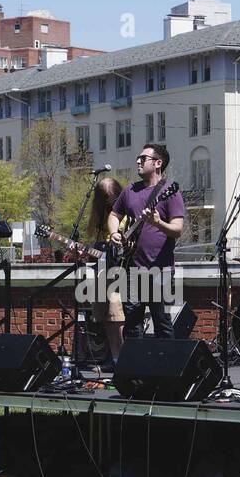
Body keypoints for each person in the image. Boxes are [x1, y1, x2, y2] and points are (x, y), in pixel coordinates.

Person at [108, 143, 186, 339]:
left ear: (158, 163)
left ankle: (165, 367)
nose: (138, 162)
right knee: (132, 325)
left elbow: (177, 230)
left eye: (143, 159)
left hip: (161, 269)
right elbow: (113, 215)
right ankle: (134, 368)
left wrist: (158, 223)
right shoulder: (130, 191)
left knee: (162, 323)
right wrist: (114, 233)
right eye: (138, 158)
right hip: (132, 268)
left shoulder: (170, 192)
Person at [85, 177, 126, 360]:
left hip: (121, 274)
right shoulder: (98, 218)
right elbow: (99, 250)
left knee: (117, 318)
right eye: (105, 198)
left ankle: (122, 360)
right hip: (103, 274)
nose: (109, 202)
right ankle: (114, 359)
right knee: (108, 320)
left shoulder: (126, 214)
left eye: (111, 198)